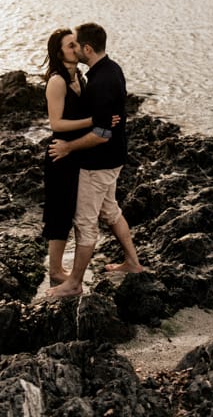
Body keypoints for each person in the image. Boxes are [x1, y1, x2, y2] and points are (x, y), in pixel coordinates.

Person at [47, 22, 144, 298]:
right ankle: (133, 263)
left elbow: (101, 133)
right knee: (110, 211)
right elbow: (105, 122)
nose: (75, 48)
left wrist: (68, 147)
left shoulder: (99, 81)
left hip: (98, 162)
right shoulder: (111, 69)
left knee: (85, 221)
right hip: (114, 157)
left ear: (87, 48)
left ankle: (74, 282)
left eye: (76, 44)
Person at [42, 28, 94, 284]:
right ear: (59, 52)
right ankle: (55, 270)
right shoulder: (58, 81)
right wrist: (93, 121)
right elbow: (56, 123)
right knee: (59, 211)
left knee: (73, 209)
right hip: (59, 154)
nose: (77, 48)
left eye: (77, 44)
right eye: (71, 45)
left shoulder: (80, 78)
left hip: (77, 152)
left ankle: (61, 267)